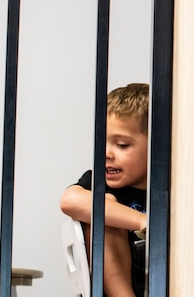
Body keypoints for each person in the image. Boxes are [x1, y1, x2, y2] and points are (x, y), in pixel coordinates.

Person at [60, 83, 149, 297]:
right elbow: (70, 201)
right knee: (102, 206)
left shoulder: (176, 187)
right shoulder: (101, 182)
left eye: (121, 145)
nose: (106, 154)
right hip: (122, 290)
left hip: (171, 284)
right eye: (102, 143)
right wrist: (142, 221)